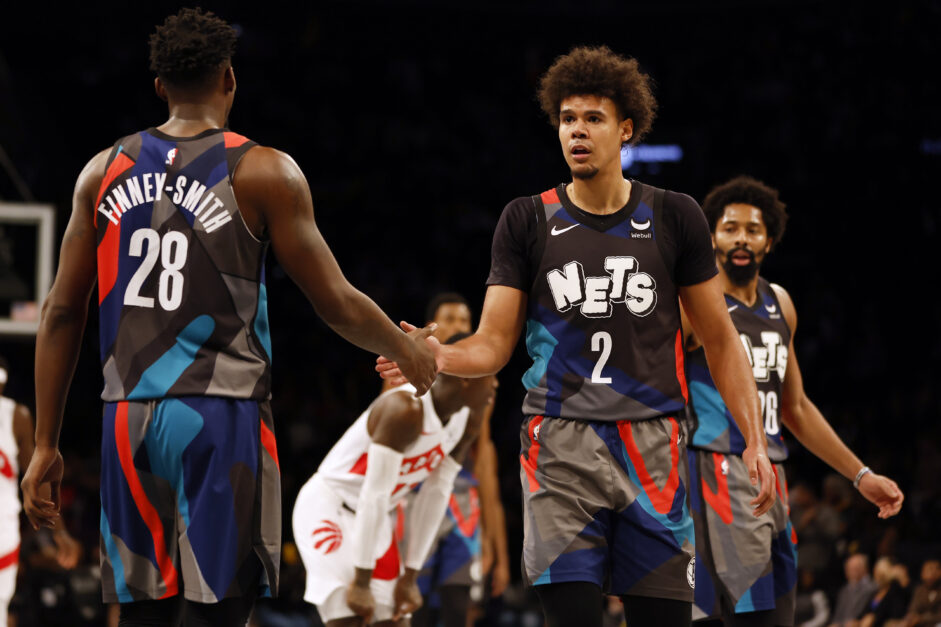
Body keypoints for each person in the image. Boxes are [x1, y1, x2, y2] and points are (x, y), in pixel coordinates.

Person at [18, 8, 437, 627]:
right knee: (218, 613)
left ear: (159, 85)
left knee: (142, 616)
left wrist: (47, 442)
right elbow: (335, 302)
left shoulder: (101, 172)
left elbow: (58, 315)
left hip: (126, 416)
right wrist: (409, 351)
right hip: (219, 413)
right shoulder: (263, 170)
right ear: (229, 78)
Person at [378, 45, 776, 627]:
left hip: (654, 447)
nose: (577, 132)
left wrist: (755, 441)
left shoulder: (674, 215)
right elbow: (494, 343)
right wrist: (437, 354)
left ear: (626, 130)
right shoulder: (526, 219)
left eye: (593, 118)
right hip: (558, 449)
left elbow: (720, 341)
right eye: (567, 119)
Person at [683, 175, 904, 627]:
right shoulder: (694, 303)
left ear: (770, 240)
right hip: (716, 468)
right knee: (748, 617)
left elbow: (796, 408)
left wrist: (860, 476)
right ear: (711, 238)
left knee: (779, 616)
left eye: (753, 229)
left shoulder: (780, 303)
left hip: (773, 473)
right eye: (730, 227)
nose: (742, 237)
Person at [293, 332, 498, 625]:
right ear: (467, 378)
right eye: (492, 376)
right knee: (351, 617)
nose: (496, 385)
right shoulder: (405, 408)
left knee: (396, 620)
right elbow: (373, 495)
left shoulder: (468, 421)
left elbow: (436, 494)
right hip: (330, 507)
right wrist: (362, 581)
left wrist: (411, 576)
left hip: (376, 518)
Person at [395, 294, 509, 627]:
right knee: (412, 609)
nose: (458, 326)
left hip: (460, 503)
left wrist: (494, 545)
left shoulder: (481, 380)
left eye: (464, 321)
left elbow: (485, 460)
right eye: (450, 318)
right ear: (430, 326)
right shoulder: (402, 368)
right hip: (412, 495)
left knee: (459, 611)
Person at [0, 356, 80, 626]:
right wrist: (60, 532)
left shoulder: (14, 415)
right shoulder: (16, 415)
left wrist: (58, 530)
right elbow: (37, 477)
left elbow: (37, 475)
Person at [830, 554, 879, 627]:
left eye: (855, 568)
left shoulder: (872, 588)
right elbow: (838, 616)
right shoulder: (844, 590)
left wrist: (859, 621)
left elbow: (871, 609)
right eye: (849, 568)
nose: (851, 571)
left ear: (864, 568)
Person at [900, 559, 941, 627]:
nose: (932, 573)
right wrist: (910, 618)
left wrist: (921, 619)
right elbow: (913, 609)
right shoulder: (919, 590)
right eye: (928, 570)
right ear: (922, 573)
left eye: (935, 569)